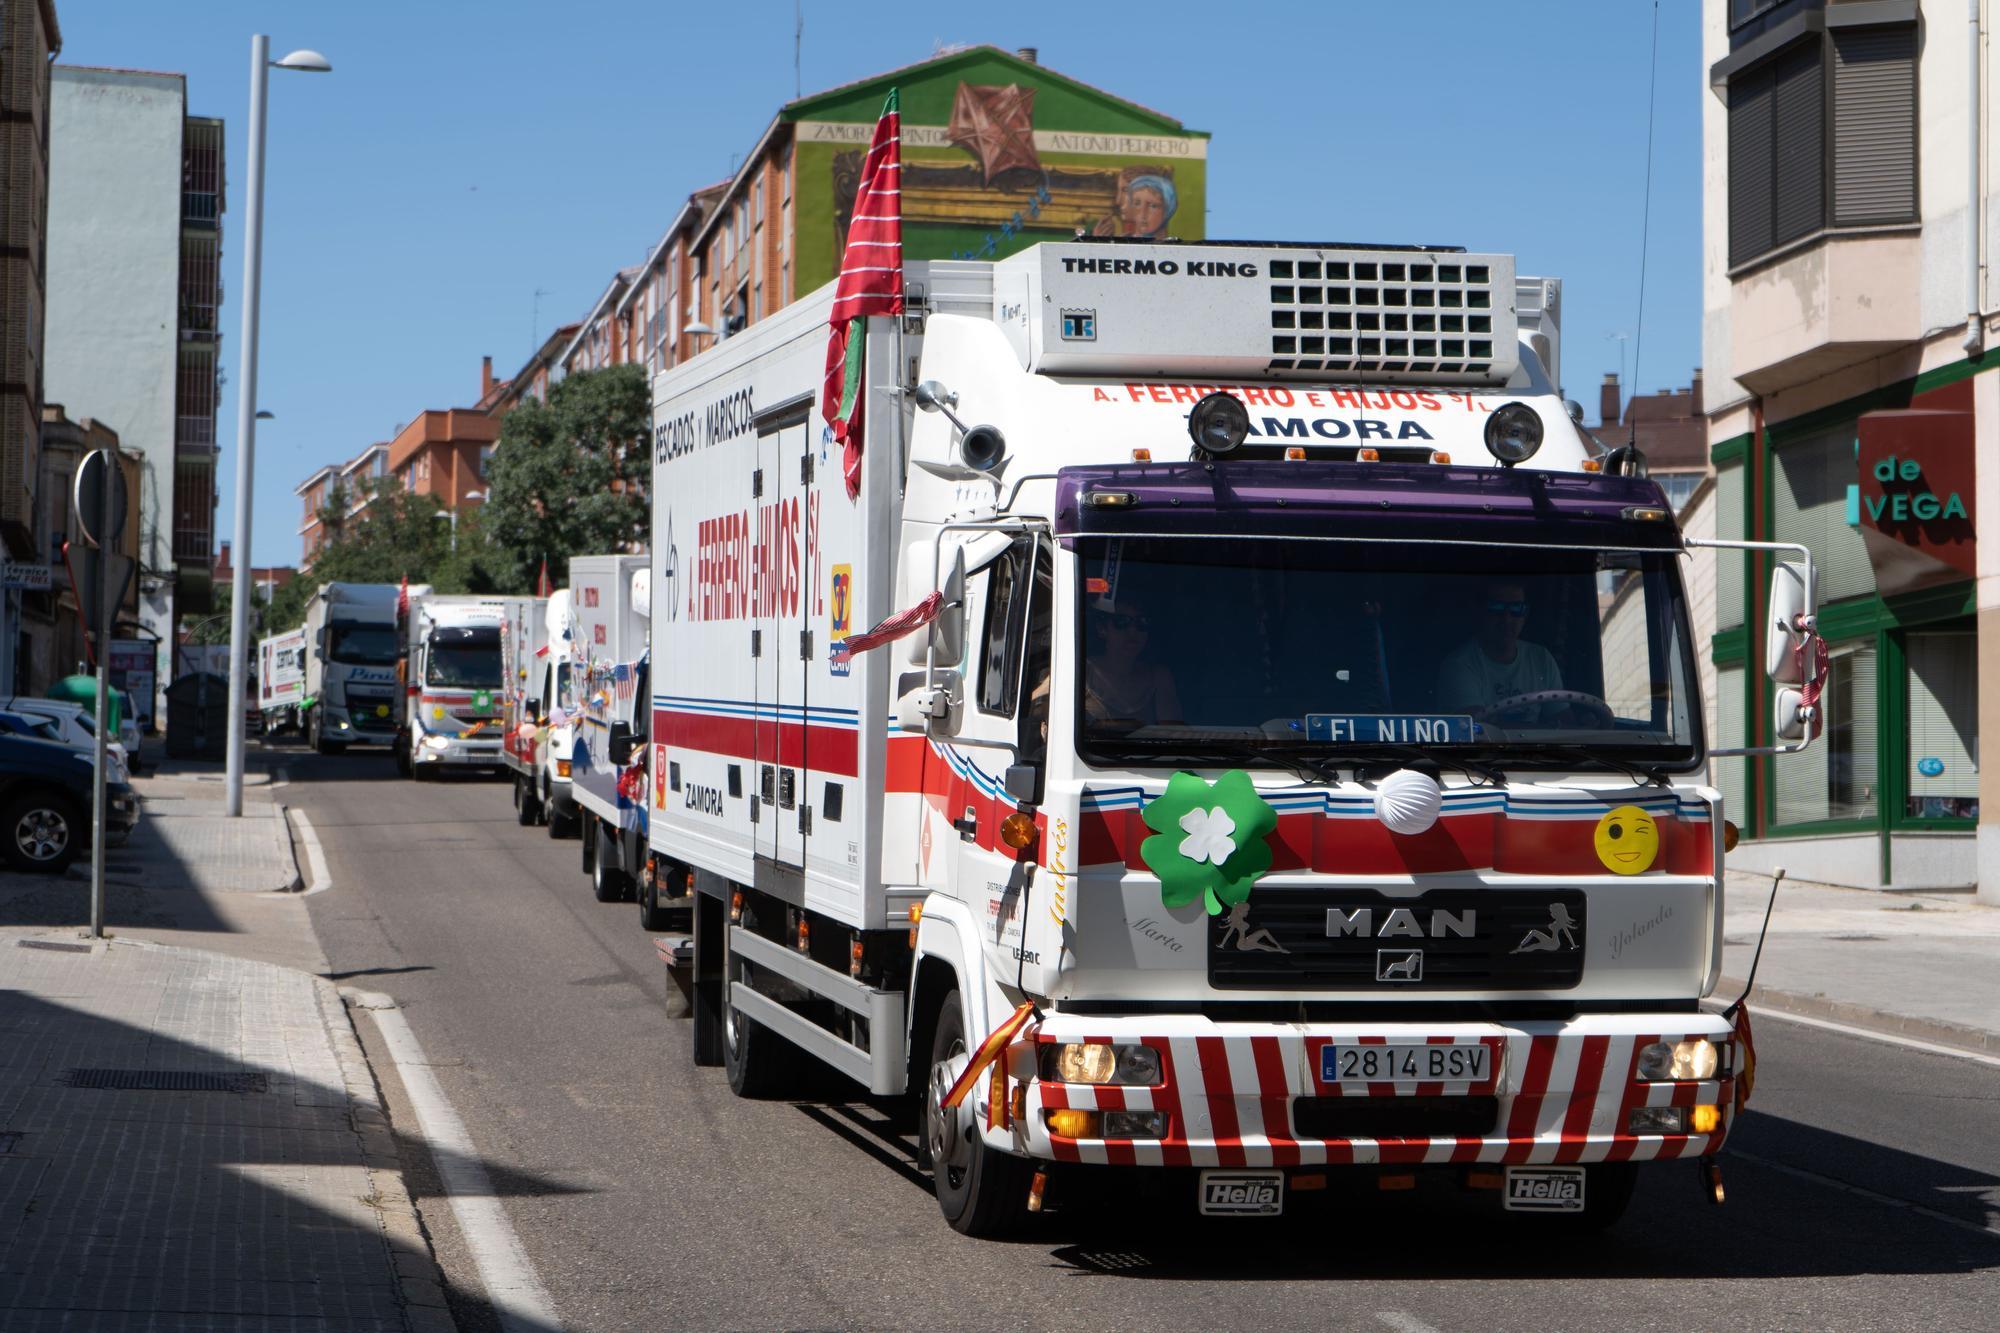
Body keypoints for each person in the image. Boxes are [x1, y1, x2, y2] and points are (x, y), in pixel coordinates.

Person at [1435, 579, 1564, 717]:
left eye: (1516, 609)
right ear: (1479, 611)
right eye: (1496, 608)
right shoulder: (1459, 665)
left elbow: (1564, 720)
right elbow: (1478, 730)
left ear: (1525, 614)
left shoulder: (1541, 658)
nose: (1506, 620)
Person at [1083, 596, 1182, 727]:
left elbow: (1172, 736)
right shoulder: (1080, 671)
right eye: (1121, 622)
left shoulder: (1159, 677)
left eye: (1142, 622)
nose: (1133, 631)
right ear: (1102, 629)